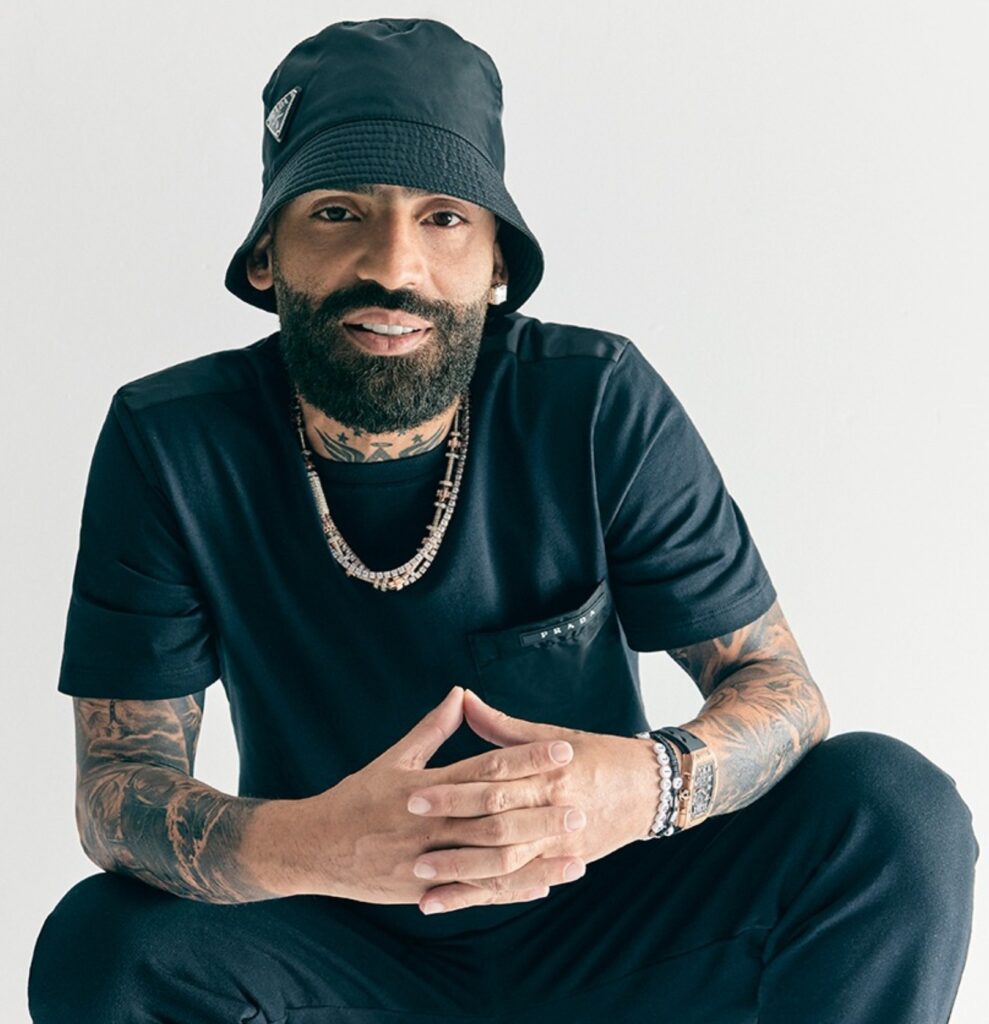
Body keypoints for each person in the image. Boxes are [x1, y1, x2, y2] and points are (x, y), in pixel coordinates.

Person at [28, 17, 977, 1024]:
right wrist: (316, 846)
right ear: (267, 254)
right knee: (104, 947)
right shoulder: (171, 442)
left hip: (613, 924)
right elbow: (117, 787)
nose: (393, 265)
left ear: (496, 266)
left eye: (442, 217)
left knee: (889, 808)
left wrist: (647, 785)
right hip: (334, 949)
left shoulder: (591, 399)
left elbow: (780, 690)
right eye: (338, 211)